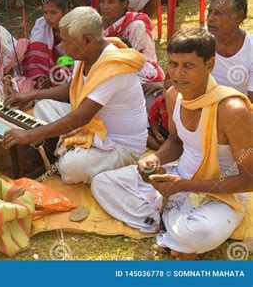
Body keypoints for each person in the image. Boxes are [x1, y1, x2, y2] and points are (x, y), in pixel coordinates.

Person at [92, 27, 252, 259]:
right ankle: (170, 220)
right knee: (101, 183)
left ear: (209, 65)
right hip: (175, 179)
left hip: (219, 195)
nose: (177, 74)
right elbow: (176, 141)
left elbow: (249, 180)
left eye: (188, 65)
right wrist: (155, 159)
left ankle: (165, 218)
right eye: (173, 64)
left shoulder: (231, 109)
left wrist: (184, 186)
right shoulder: (173, 95)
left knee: (200, 232)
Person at [2, 7, 148, 185]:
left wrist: (29, 135)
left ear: (87, 40)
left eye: (67, 41)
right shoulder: (86, 53)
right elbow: (72, 87)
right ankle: (68, 147)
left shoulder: (114, 67)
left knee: (69, 168)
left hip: (120, 145)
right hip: (94, 125)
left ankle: (67, 151)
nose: (63, 47)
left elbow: (80, 117)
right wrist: (32, 95)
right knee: (43, 105)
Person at [100, 0, 164, 87]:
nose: (105, 7)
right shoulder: (97, 23)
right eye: (102, 2)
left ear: (124, 4)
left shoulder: (136, 25)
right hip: (107, 67)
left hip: (136, 68)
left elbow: (142, 60)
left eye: (111, 2)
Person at [21, 0, 72, 90]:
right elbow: (34, 58)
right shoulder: (41, 26)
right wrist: (40, 77)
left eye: (53, 12)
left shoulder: (75, 28)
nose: (48, 17)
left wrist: (53, 76)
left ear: (66, 12)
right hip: (49, 73)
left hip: (71, 70)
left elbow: (72, 59)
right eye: (45, 12)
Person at [207, 0, 252, 102]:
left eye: (218, 13)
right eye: (210, 11)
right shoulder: (198, 40)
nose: (210, 18)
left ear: (239, 16)